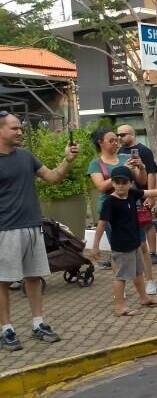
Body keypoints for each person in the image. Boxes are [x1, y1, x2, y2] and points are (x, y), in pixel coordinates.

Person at [0, 111, 81, 350]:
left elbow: (53, 178)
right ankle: (6, 329)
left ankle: (38, 323)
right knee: (2, 281)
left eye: (21, 128)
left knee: (33, 278)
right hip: (5, 230)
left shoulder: (26, 157)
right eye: (15, 128)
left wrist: (67, 160)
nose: (20, 132)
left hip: (33, 227)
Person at [90, 166, 157, 316]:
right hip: (121, 246)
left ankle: (144, 298)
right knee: (121, 277)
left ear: (130, 183)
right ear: (112, 183)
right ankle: (120, 306)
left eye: (124, 182)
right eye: (117, 182)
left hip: (134, 243)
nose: (121, 185)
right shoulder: (110, 202)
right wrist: (95, 246)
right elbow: (102, 224)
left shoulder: (132, 194)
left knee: (138, 273)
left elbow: (151, 192)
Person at [88, 128, 155, 294]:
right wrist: (121, 173)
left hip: (132, 208)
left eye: (116, 139)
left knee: (141, 245)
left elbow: (141, 181)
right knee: (117, 250)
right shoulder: (96, 164)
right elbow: (101, 186)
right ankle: (121, 286)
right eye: (111, 140)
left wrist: (141, 168)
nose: (116, 142)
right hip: (111, 211)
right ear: (100, 143)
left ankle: (150, 281)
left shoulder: (126, 157)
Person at [116, 124, 157, 264]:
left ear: (132, 134)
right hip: (126, 193)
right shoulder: (119, 151)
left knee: (147, 222)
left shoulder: (144, 151)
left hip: (141, 192)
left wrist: (151, 196)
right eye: (118, 135)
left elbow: (152, 173)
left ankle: (153, 253)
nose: (119, 137)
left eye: (122, 135)